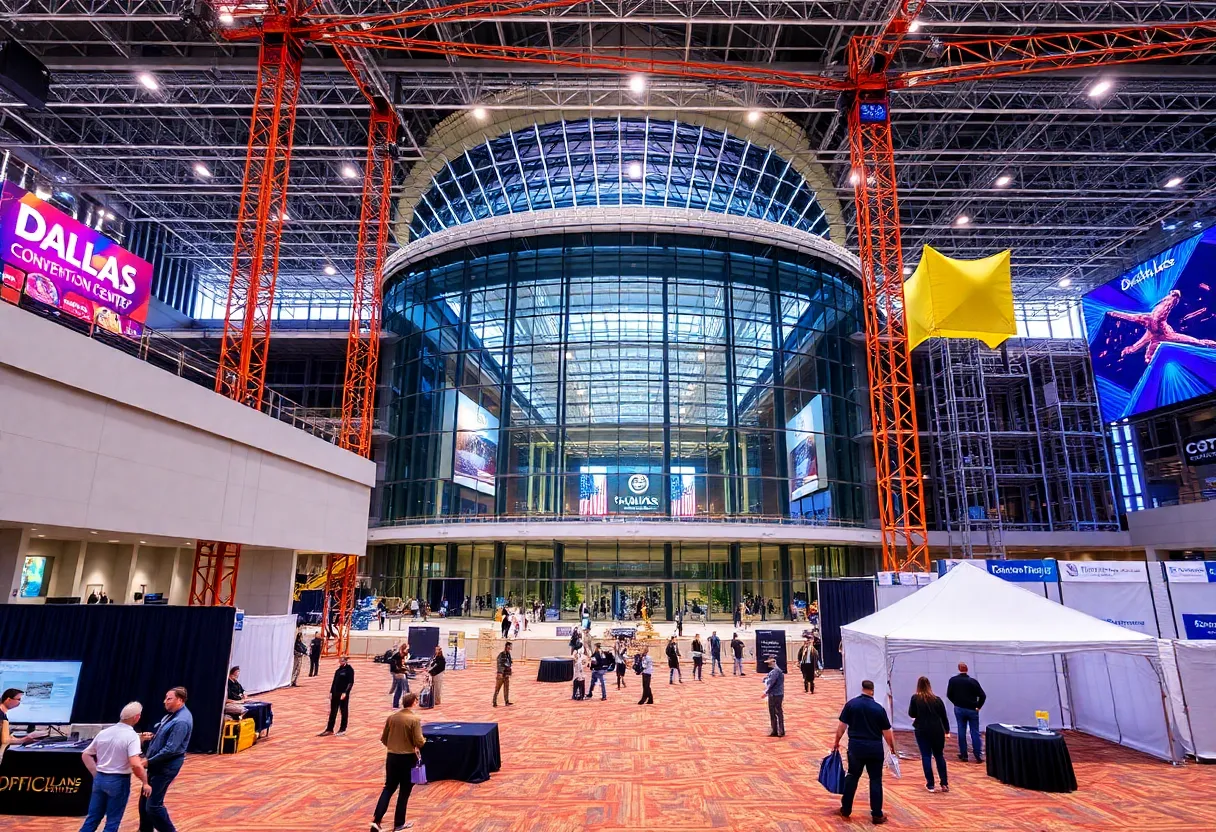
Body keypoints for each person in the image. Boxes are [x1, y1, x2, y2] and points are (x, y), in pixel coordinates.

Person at [833, 679, 896, 825]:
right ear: (872, 690)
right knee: (875, 780)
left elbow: (841, 727)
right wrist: (892, 748)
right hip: (874, 748)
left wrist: (836, 742)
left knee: (852, 777)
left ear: (862, 689)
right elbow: (887, 732)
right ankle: (877, 814)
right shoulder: (878, 709)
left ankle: (846, 808)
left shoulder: (851, 705)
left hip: (856, 747)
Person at [79, 701, 149, 832]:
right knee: (113, 821)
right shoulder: (132, 736)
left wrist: (96, 774)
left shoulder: (104, 732)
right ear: (137, 717)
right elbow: (135, 764)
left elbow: (86, 755)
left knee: (93, 817)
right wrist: (145, 782)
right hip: (119, 781)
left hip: (100, 779)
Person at [370, 692, 426, 832]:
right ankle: (399, 823)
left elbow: (384, 739)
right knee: (404, 791)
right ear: (413, 702)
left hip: (392, 758)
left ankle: (377, 820)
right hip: (407, 758)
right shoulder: (414, 719)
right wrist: (423, 742)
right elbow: (419, 741)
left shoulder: (392, 718)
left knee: (388, 788)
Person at [139, 687, 193, 832]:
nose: (165, 702)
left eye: (169, 699)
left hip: (164, 768)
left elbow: (171, 749)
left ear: (180, 700)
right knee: (144, 801)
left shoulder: (181, 721)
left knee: (153, 806)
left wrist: (148, 761)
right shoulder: (172, 715)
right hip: (157, 766)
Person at [909, 676, 951, 793]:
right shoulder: (937, 700)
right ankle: (944, 783)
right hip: (937, 730)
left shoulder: (915, 699)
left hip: (921, 729)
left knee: (926, 756)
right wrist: (947, 731)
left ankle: (930, 784)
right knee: (939, 755)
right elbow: (944, 717)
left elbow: (912, 714)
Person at [946, 662, 986, 762]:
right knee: (975, 732)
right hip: (972, 709)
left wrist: (956, 702)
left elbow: (949, 694)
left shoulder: (953, 681)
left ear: (958, 669)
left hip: (959, 708)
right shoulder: (973, 682)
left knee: (961, 731)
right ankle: (978, 755)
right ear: (967, 669)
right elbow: (983, 695)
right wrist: (978, 706)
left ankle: (964, 754)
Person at [319, 655, 355, 736]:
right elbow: (334, 682)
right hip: (335, 692)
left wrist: (346, 692)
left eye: (342, 661)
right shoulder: (338, 670)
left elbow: (350, 682)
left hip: (343, 694)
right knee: (333, 711)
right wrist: (331, 692)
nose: (340, 662)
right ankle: (329, 729)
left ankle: (343, 728)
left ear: (346, 661)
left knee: (343, 711)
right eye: (340, 661)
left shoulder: (349, 670)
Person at [760, 656, 785, 737]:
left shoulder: (775, 672)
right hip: (778, 694)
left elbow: (771, 683)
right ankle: (778, 730)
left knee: (775, 712)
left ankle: (778, 730)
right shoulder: (777, 671)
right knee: (777, 712)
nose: (768, 665)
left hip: (775, 694)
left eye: (770, 663)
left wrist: (765, 692)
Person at [389, 642, 411, 708]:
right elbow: (397, 667)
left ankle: (400, 703)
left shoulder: (403, 655)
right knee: (401, 689)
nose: (408, 651)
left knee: (404, 688)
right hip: (398, 674)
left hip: (401, 673)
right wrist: (403, 669)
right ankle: (399, 704)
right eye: (407, 649)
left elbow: (402, 665)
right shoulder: (398, 656)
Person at [493, 641, 514, 706]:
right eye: (510, 646)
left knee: (506, 688)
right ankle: (494, 701)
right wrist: (500, 672)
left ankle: (506, 701)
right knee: (497, 688)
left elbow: (508, 663)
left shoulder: (508, 654)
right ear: (507, 646)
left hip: (506, 674)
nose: (511, 647)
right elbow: (499, 664)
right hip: (501, 674)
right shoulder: (502, 654)